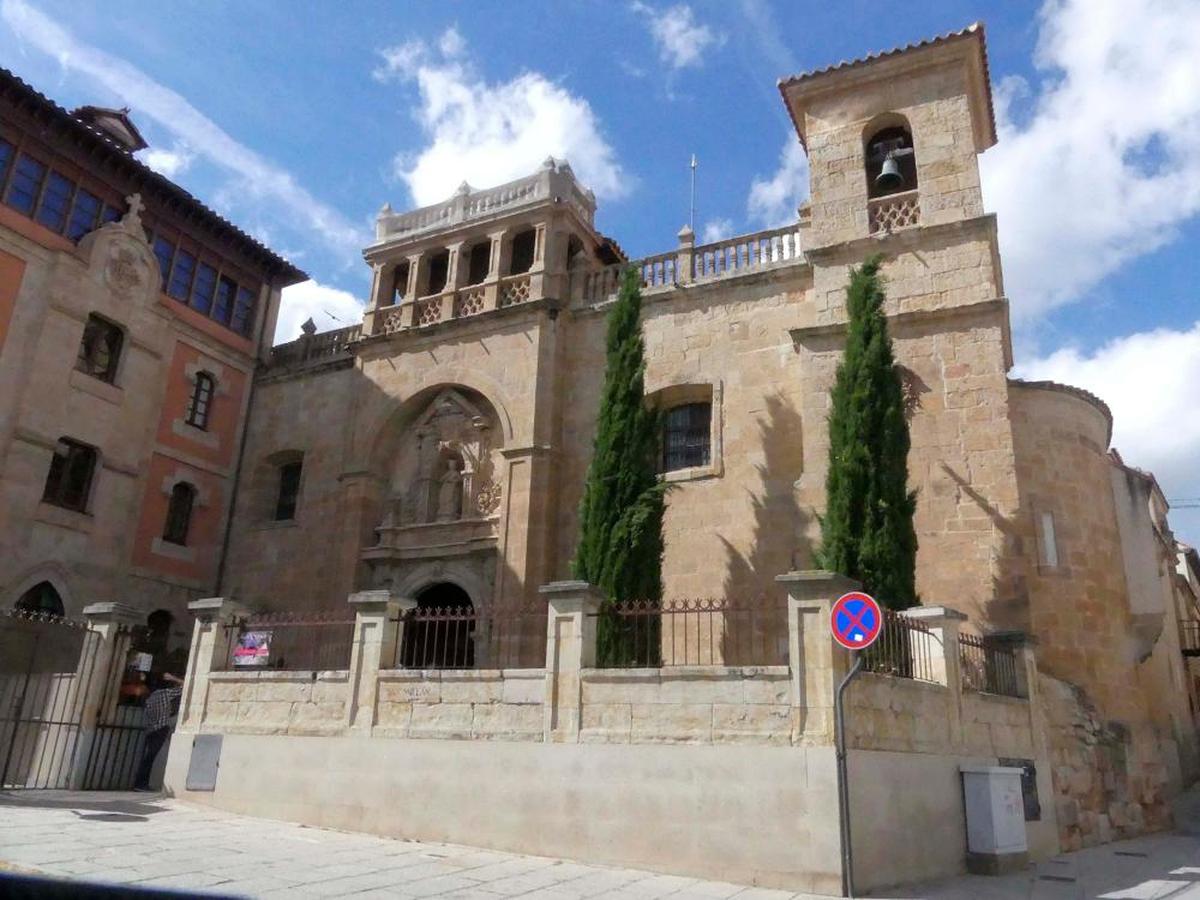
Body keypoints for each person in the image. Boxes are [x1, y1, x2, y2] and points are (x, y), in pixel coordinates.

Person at [133, 671, 184, 792]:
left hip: (151, 730)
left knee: (148, 757)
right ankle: (141, 784)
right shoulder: (164, 694)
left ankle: (141, 783)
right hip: (161, 729)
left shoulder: (149, 698)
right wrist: (174, 678)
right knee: (150, 758)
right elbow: (187, 686)